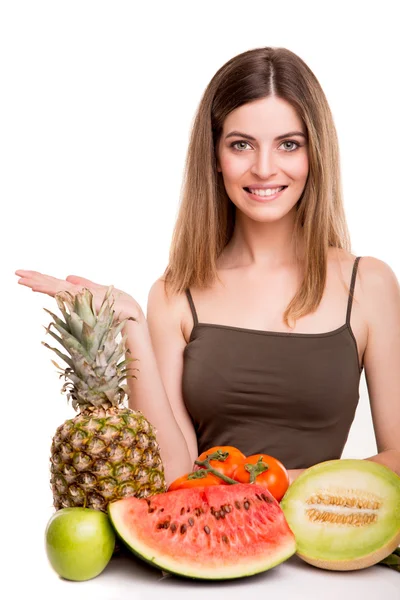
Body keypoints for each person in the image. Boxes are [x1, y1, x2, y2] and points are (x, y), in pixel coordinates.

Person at [15, 46, 400, 488]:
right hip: (206, 540)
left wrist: (273, 484)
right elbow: (172, 472)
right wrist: (133, 325)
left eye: (289, 145)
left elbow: (399, 459)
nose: (264, 168)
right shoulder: (175, 294)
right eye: (241, 145)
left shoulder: (368, 284)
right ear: (215, 157)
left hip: (330, 541)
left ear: (315, 155)